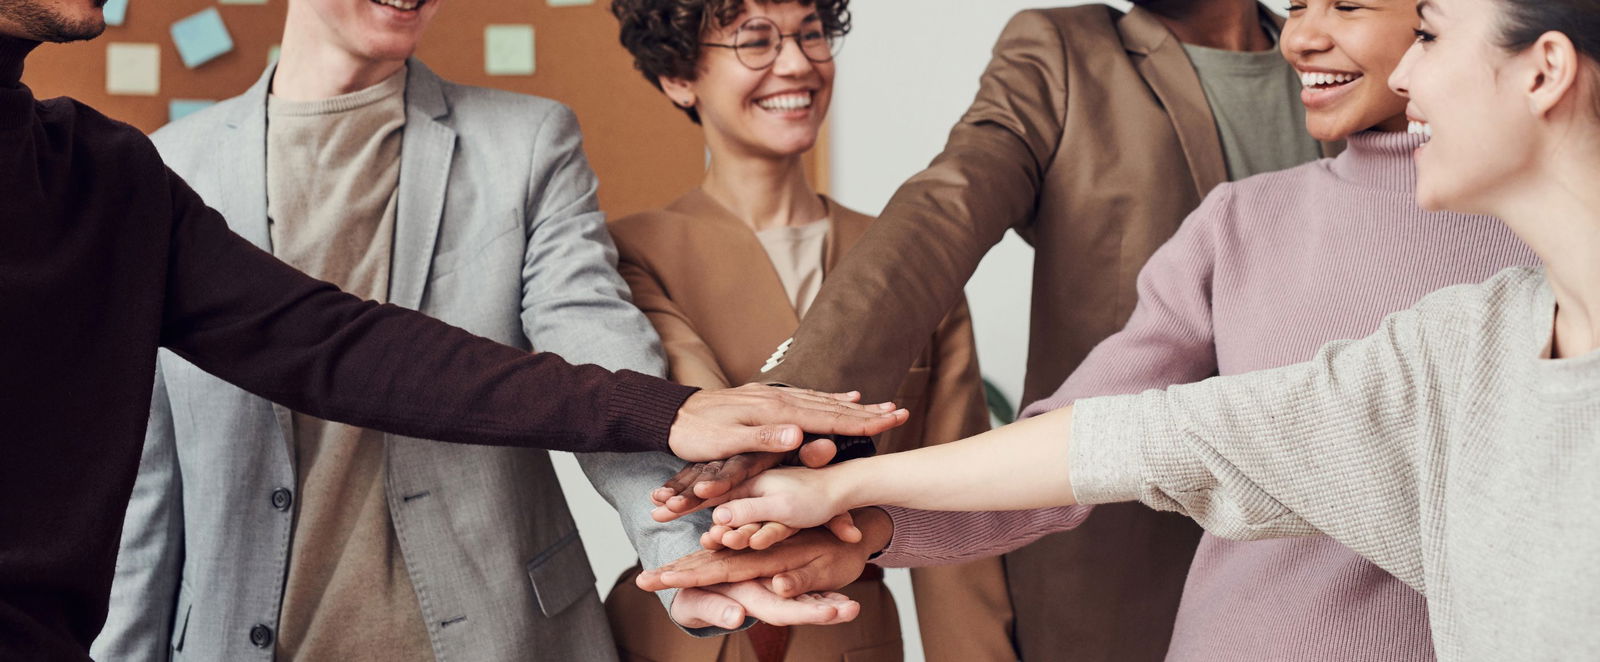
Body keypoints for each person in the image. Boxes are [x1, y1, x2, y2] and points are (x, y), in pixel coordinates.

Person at [647, 0, 1600, 658]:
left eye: (1420, 26)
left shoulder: (1500, 290)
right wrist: (823, 462)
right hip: (1181, 608)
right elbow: (1122, 420)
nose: (1308, 34)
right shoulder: (1384, 302)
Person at [0, 0, 907, 658]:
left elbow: (339, 345)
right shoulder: (170, 160)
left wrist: (670, 460)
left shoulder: (101, 176)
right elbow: (144, 483)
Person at [601, 1, 1004, 660]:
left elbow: (963, 496)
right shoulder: (629, 254)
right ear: (680, 78)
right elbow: (704, 444)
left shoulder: (909, 255)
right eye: (755, 41)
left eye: (811, 34)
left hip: (851, 631)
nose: (797, 63)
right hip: (675, 636)